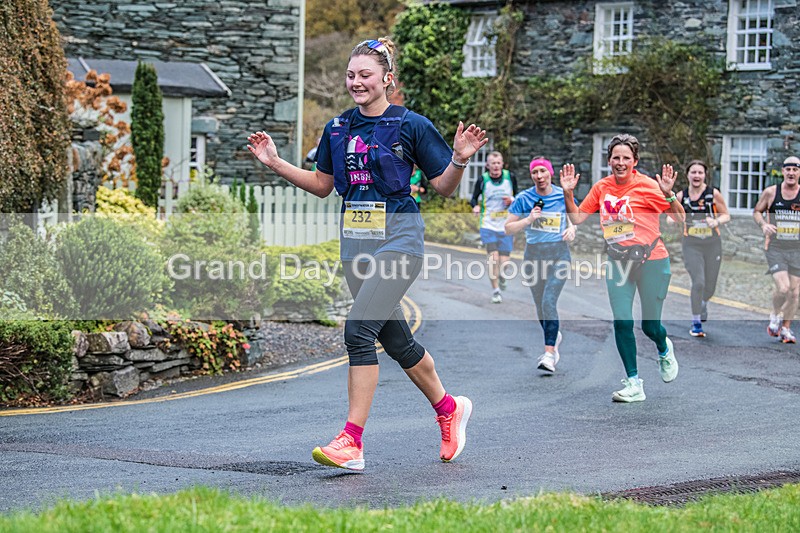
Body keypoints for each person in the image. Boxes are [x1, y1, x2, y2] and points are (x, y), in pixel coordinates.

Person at [247, 37, 486, 471]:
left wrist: (459, 159)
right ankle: (449, 408)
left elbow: (443, 186)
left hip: (400, 241)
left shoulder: (412, 125)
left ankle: (351, 442)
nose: (356, 82)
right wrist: (276, 163)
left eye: (365, 75)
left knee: (358, 331)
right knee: (397, 342)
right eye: (351, 75)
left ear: (387, 79)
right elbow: (323, 186)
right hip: (356, 247)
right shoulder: (337, 128)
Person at [560, 134, 685, 403]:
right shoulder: (602, 187)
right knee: (622, 321)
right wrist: (568, 193)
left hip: (652, 261)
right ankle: (633, 383)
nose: (620, 162)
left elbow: (679, 218)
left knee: (650, 327)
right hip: (618, 262)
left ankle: (663, 348)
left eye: (626, 158)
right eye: (615, 157)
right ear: (609, 161)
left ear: (634, 161)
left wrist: (669, 194)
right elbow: (577, 218)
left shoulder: (648, 186)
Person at [505, 157, 576, 373]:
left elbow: (575, 217)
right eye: (535, 172)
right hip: (533, 256)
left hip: (558, 254)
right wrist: (528, 219)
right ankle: (553, 334)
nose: (539, 176)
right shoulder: (524, 198)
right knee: (540, 306)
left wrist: (572, 228)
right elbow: (508, 228)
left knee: (548, 301)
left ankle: (549, 354)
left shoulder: (562, 195)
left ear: (550, 173)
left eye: (543, 171)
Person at [671, 160, 730, 338]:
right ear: (687, 175)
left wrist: (716, 221)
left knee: (710, 287)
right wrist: (676, 219)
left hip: (712, 244)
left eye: (700, 172)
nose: (697, 176)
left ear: (705, 175)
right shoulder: (681, 196)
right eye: (693, 172)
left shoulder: (713, 194)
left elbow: (726, 215)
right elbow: (671, 216)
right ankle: (696, 322)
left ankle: (703, 302)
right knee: (698, 282)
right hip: (692, 244)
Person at [752, 155, 800, 344]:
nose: (791, 173)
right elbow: (757, 211)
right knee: (784, 288)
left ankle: (786, 328)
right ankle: (775, 313)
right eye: (788, 169)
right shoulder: (771, 192)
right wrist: (764, 225)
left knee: (795, 293)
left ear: (799, 172)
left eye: (795, 169)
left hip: (797, 250)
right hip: (776, 248)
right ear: (782, 172)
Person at [470, 151, 519, 303]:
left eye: (498, 163)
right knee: (493, 259)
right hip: (488, 224)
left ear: (502, 164)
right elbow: (473, 198)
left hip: (506, 225)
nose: (496, 166)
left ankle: (502, 277)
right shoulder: (482, 180)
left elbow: (518, 197)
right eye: (493, 163)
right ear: (488, 165)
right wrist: (475, 207)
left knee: (505, 263)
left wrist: (511, 200)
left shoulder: (510, 177)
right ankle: (496, 291)